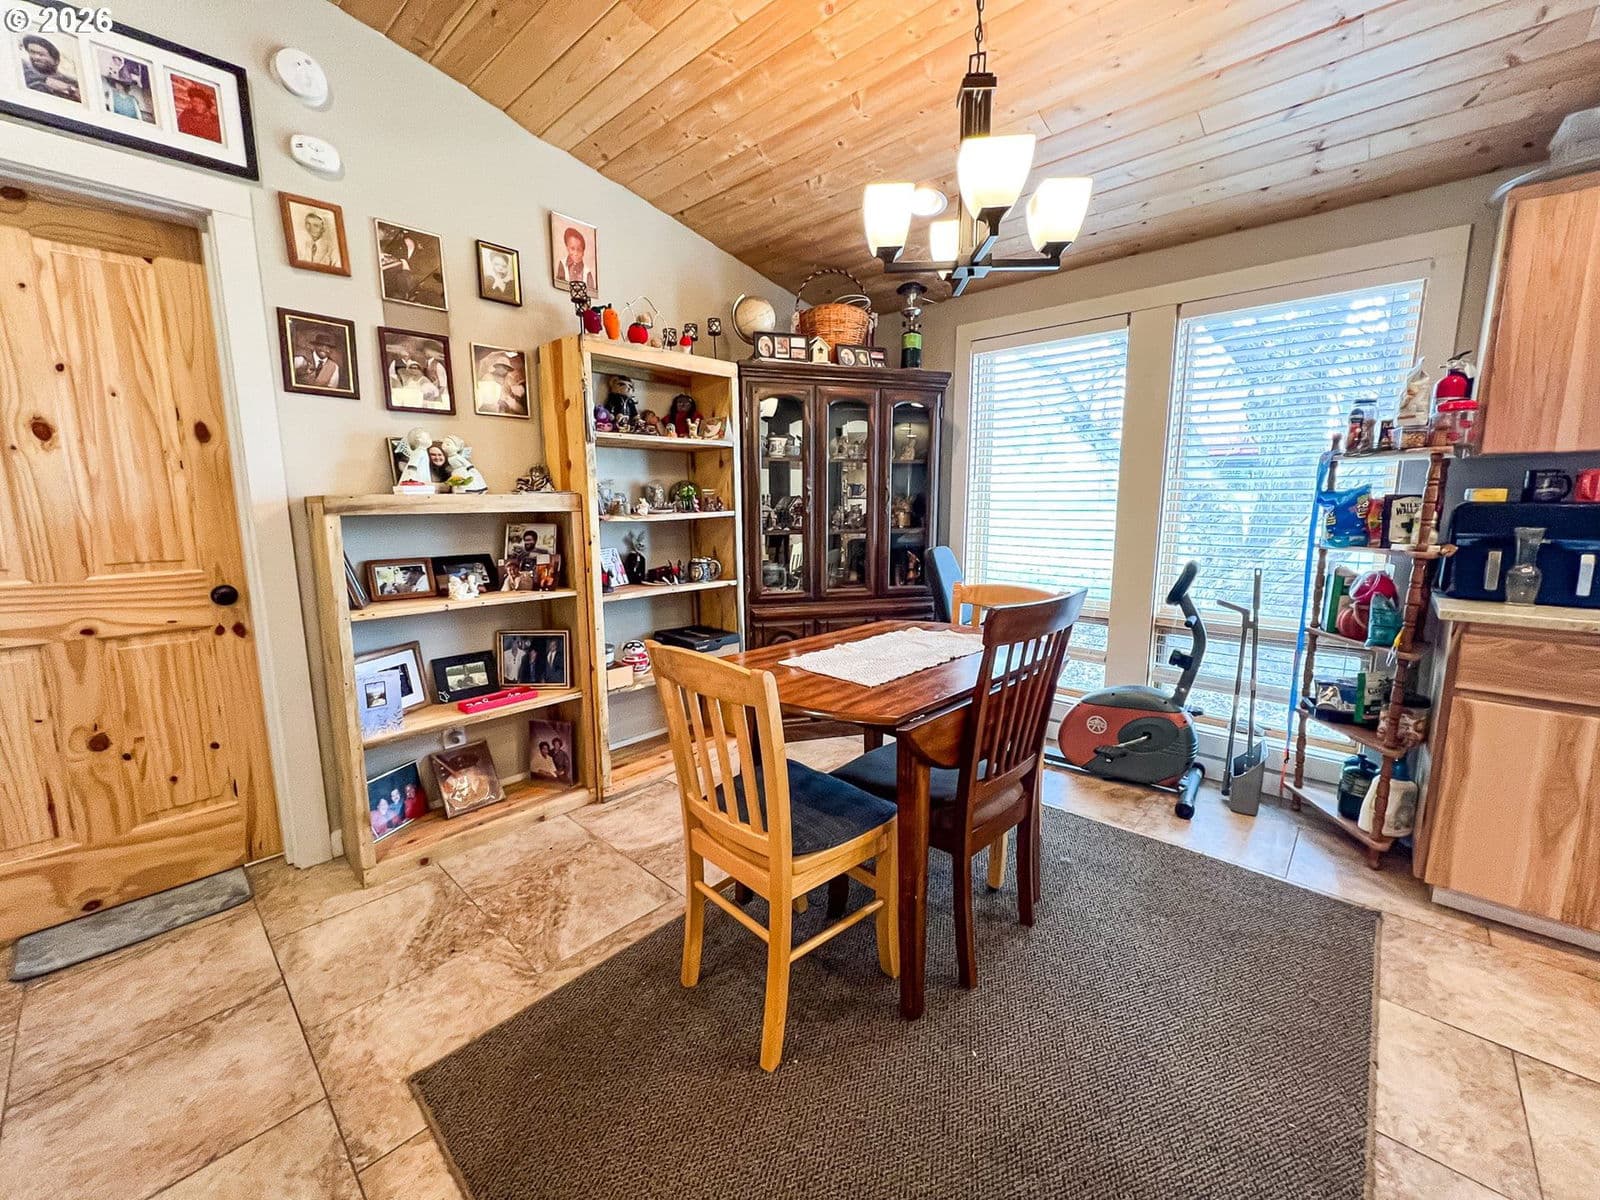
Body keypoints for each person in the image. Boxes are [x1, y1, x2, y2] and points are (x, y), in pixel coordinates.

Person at [21, 36, 80, 102]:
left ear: (56, 61)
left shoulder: (73, 83)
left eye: (41, 54)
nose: (36, 57)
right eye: (32, 52)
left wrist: (70, 88)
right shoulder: (24, 69)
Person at [555, 227, 595, 292]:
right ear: (567, 248)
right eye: (572, 249)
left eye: (579, 250)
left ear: (583, 252)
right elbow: (559, 287)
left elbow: (591, 293)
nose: (575, 253)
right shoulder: (562, 264)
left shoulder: (587, 272)